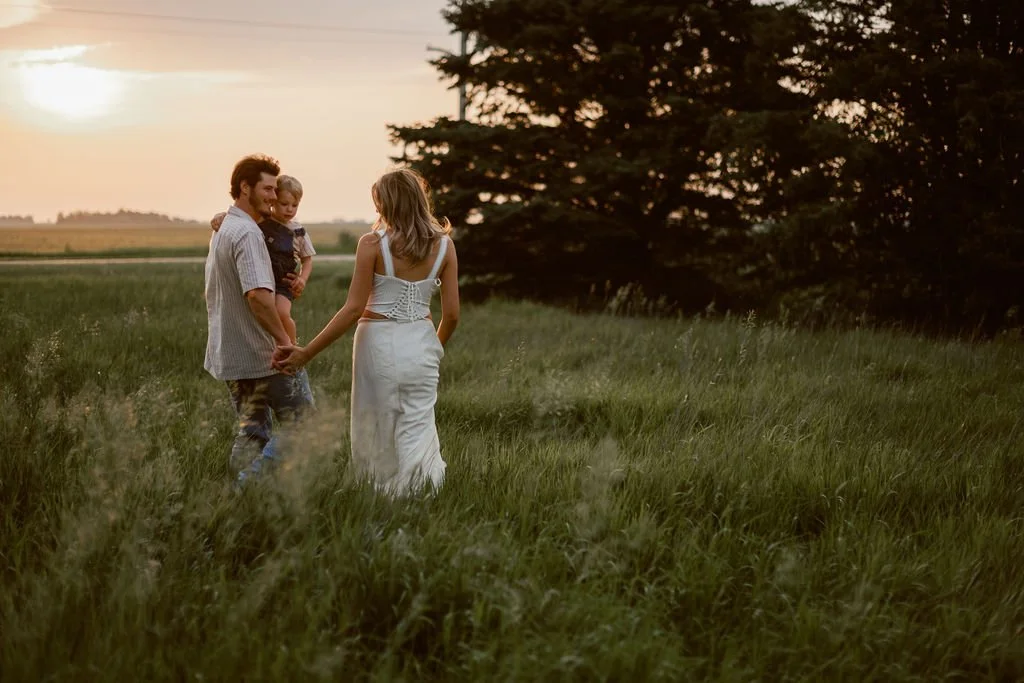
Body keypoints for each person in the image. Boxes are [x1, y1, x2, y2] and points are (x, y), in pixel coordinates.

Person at [274, 168, 460, 496]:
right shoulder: (445, 246)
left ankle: (381, 496)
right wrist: (433, 348)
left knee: (376, 424)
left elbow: (352, 309)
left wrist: (306, 353)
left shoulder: (372, 244)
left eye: (379, 202)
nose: (376, 209)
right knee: (418, 424)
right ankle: (422, 493)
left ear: (391, 203)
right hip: (422, 344)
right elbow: (453, 315)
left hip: (377, 344)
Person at [204, 154, 311, 483]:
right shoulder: (248, 234)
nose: (274, 196)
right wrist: (285, 343)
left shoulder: (225, 228)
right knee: (304, 423)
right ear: (244, 188)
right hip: (264, 355)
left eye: (275, 189)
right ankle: (247, 486)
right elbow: (259, 297)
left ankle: (240, 496)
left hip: (233, 353)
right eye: (267, 189)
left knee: (252, 432)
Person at [211, 174, 316, 406]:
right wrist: (221, 216)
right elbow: (239, 217)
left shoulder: (298, 231)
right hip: (265, 279)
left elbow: (308, 259)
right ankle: (283, 345)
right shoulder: (260, 222)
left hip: (284, 282)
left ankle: (289, 345)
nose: (289, 210)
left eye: (294, 206)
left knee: (282, 312)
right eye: (284, 204)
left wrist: (302, 279)